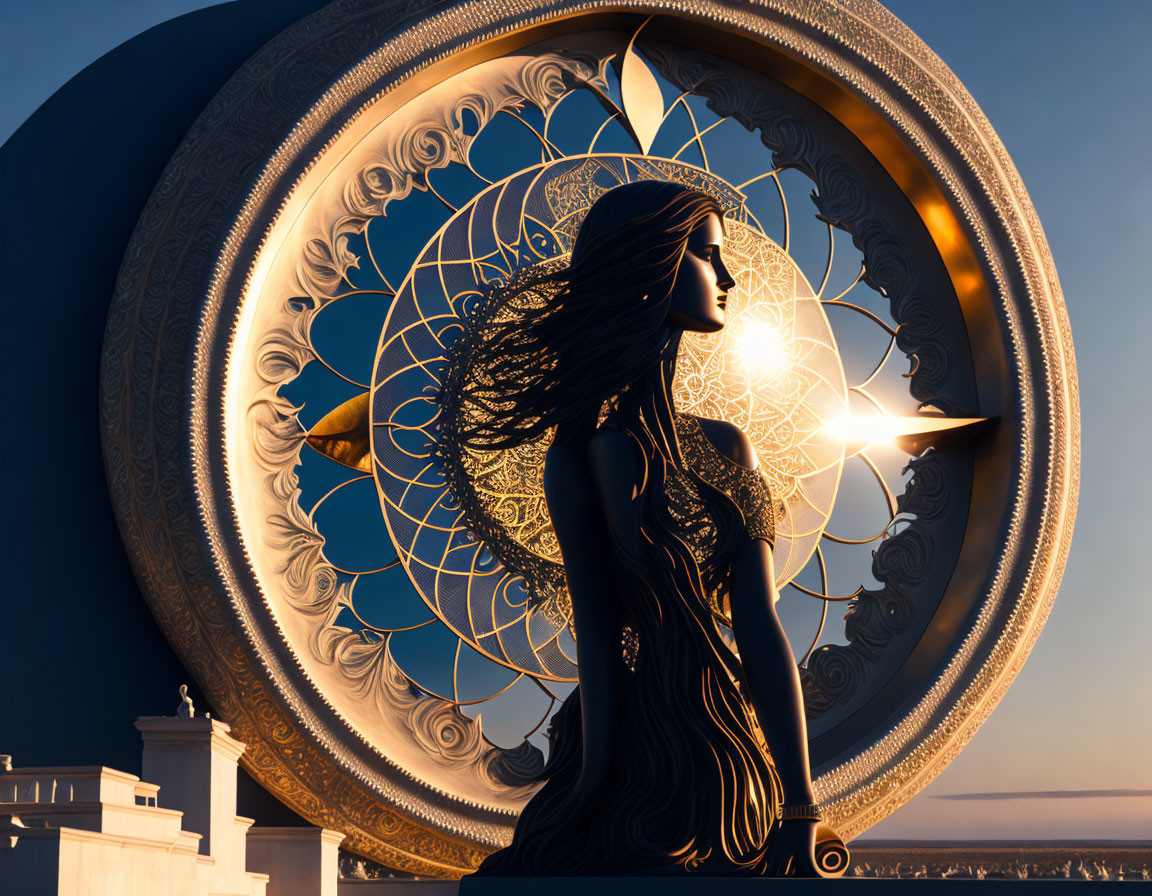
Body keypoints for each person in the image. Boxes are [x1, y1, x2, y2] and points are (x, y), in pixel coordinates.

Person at [458, 181, 824, 876]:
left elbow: (760, 627)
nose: (728, 277)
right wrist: (589, 790)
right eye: (708, 256)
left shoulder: (726, 446)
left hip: (728, 748)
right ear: (652, 263)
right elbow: (597, 637)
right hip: (637, 751)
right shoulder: (581, 460)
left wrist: (799, 804)